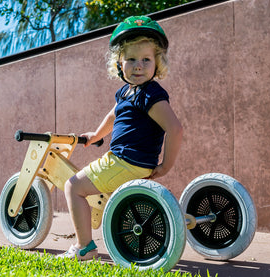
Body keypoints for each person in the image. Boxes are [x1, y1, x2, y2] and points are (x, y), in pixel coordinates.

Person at [56, 15, 183, 260]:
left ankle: (84, 247)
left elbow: (175, 129)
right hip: (133, 164)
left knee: (73, 186)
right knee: (101, 194)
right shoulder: (127, 91)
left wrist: (166, 165)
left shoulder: (149, 94)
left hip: (125, 161)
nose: (138, 65)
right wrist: (96, 134)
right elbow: (114, 115)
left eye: (146, 59)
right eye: (131, 59)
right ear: (119, 63)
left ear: (157, 63)